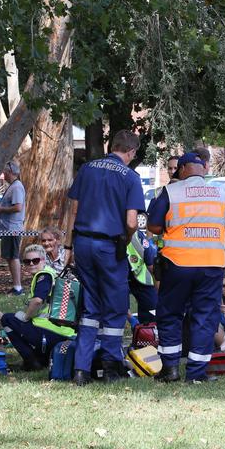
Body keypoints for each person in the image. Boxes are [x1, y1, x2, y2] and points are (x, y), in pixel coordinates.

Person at [64, 129, 145, 386]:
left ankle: (81, 369)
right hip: (109, 246)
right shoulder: (130, 177)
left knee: (90, 306)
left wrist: (68, 246)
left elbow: (72, 211)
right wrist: (126, 237)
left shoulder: (87, 169)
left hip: (83, 243)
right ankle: (111, 366)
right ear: (131, 151)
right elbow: (132, 221)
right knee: (116, 305)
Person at [147, 152, 225, 383]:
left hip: (178, 263)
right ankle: (197, 374)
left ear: (182, 169)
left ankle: (171, 369)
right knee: (205, 317)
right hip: (212, 264)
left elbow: (153, 225)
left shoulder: (171, 191)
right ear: (202, 168)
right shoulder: (222, 193)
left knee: (171, 314)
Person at [1, 245, 75, 370]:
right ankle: (42, 358)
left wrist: (26, 316)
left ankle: (32, 361)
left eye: (35, 260)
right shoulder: (52, 273)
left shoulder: (43, 276)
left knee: (7, 319)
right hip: (63, 332)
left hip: (50, 331)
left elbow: (37, 301)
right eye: (27, 261)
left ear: (43, 260)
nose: (31, 264)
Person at [0, 160, 25, 295]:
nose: (3, 174)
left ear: (11, 172)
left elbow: (18, 207)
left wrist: (1, 210)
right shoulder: (13, 186)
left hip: (12, 228)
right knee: (9, 257)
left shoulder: (17, 187)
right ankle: (15, 285)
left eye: (5, 172)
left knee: (13, 256)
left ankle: (18, 287)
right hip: (7, 229)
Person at [127, 213, 158, 324]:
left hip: (144, 279)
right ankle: (137, 329)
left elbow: (151, 264)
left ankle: (144, 335)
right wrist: (131, 320)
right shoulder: (111, 238)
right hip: (124, 278)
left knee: (151, 314)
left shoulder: (137, 236)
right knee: (118, 306)